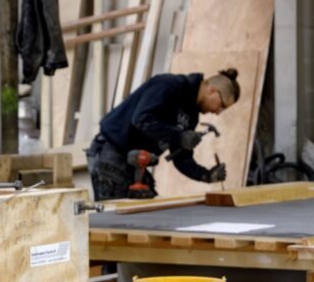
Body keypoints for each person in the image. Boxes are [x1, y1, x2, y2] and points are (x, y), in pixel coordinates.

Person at [89, 70, 240, 201]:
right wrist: (179, 136)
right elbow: (142, 119)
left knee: (145, 211)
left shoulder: (191, 116)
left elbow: (181, 158)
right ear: (212, 90)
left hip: (133, 163)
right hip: (112, 150)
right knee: (114, 216)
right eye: (221, 106)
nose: (218, 112)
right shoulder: (169, 85)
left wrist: (206, 175)